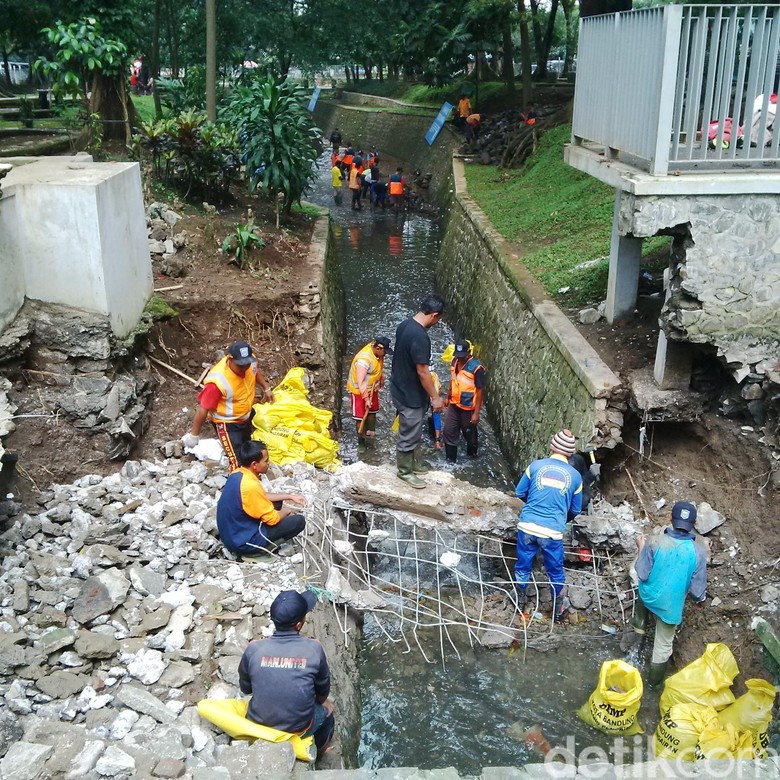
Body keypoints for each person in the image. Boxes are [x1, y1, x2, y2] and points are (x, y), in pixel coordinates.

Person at [238, 589, 335, 756]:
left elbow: (246, 689)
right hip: (298, 728)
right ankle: (322, 750)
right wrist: (321, 703)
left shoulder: (253, 648)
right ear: (299, 624)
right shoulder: (314, 649)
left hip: (257, 724)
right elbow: (321, 694)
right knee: (328, 711)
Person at [629, 501, 707, 688]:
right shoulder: (698, 551)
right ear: (694, 523)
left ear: (670, 518)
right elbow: (697, 591)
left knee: (643, 596)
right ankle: (653, 685)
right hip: (670, 606)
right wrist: (700, 600)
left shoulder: (655, 541)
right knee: (663, 646)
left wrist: (641, 547)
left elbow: (642, 573)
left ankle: (635, 649)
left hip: (648, 597)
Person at [513, 430, 583, 622]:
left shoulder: (535, 466)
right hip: (552, 532)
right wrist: (560, 518)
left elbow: (519, 492)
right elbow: (576, 509)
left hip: (527, 526)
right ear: (570, 454)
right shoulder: (575, 477)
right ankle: (558, 609)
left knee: (523, 564)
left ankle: (520, 601)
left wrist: (534, 506)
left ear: (552, 447)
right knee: (555, 569)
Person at [182, 341, 274, 472]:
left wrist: (266, 387)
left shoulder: (250, 362)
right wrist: (194, 436)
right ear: (230, 359)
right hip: (227, 424)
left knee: (247, 449)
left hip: (244, 416)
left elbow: (255, 371)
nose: (244, 368)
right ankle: (238, 484)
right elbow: (203, 409)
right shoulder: (217, 381)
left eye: (247, 364)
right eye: (240, 365)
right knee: (236, 459)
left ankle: (251, 478)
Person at [390, 294, 446, 488]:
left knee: (414, 428)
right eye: (438, 319)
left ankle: (413, 462)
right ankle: (404, 471)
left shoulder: (404, 325)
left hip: (399, 386)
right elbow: (422, 371)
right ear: (434, 315)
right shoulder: (420, 336)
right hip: (410, 394)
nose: (437, 323)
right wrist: (435, 397)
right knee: (409, 429)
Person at [216, 440, 306, 558]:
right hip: (242, 542)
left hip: (232, 533)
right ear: (254, 464)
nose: (268, 463)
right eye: (266, 461)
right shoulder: (250, 485)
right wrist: (287, 511)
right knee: (298, 522)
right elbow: (273, 519)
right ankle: (258, 551)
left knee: (276, 503)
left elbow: (261, 495)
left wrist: (290, 496)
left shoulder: (239, 473)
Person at [346, 337, 393, 452]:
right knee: (360, 418)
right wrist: (366, 399)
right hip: (359, 392)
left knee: (372, 413)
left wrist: (381, 377)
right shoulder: (363, 360)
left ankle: (370, 435)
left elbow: (377, 367)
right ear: (378, 348)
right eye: (384, 352)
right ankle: (361, 442)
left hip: (372, 389)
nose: (385, 355)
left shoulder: (377, 353)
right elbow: (360, 381)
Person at [443, 340, 484, 463]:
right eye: (458, 355)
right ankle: (450, 462)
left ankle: (473, 457)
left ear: (468, 353)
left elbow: (480, 390)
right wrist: (447, 396)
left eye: (462, 356)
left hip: (468, 407)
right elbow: (453, 380)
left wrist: (476, 413)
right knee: (449, 431)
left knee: (469, 434)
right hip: (454, 404)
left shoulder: (477, 368)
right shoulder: (455, 361)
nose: (460, 358)